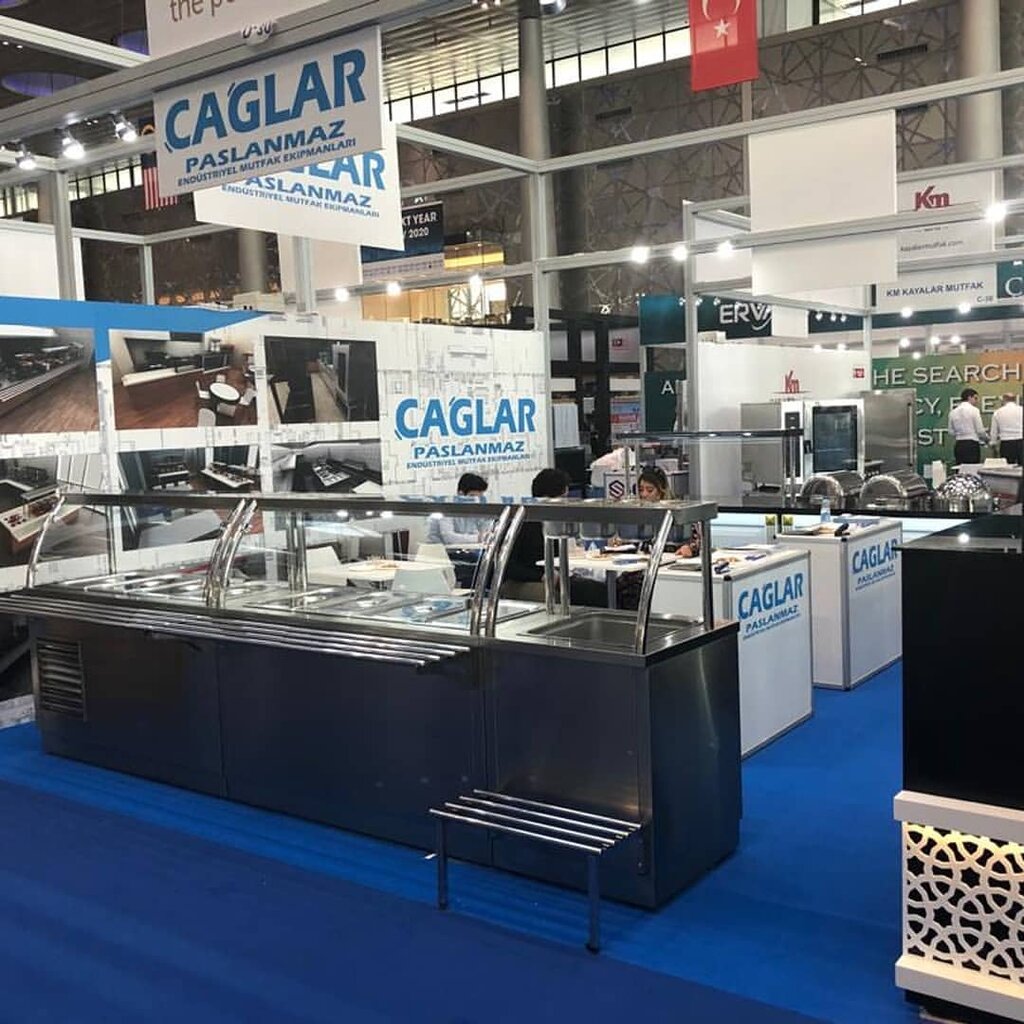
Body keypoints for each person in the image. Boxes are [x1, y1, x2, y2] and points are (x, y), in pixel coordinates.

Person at [426, 472, 491, 546]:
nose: (475, 501)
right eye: (472, 496)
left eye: (479, 497)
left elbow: (484, 531)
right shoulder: (447, 506)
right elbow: (449, 538)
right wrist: (478, 538)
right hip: (438, 550)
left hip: (462, 549)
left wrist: (485, 533)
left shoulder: (475, 507)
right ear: (460, 494)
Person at [948, 388, 989, 466]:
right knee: (972, 469)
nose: (977, 401)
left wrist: (960, 434)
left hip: (959, 444)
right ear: (969, 397)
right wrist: (986, 439)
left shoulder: (953, 412)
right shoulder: (974, 410)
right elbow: (980, 430)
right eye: (975, 398)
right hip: (971, 445)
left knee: (960, 469)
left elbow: (951, 431)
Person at [990, 392, 1023, 466]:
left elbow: (994, 431)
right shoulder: (1021, 410)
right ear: (1015, 400)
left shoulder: (998, 412)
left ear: (1004, 400)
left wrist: (993, 443)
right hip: (1021, 441)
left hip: (1006, 443)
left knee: (1007, 468)